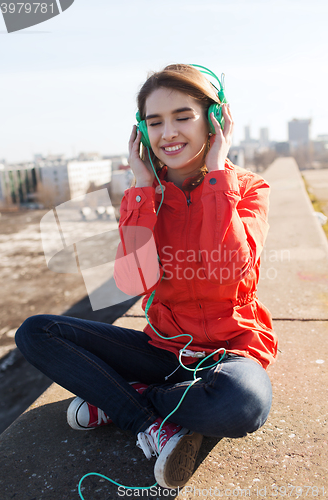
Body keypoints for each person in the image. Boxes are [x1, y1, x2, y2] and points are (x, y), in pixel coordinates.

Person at [15, 63, 278, 490]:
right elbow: (134, 280)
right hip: (162, 349)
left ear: (215, 120)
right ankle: (148, 423)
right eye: (154, 122)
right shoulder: (143, 196)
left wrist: (216, 174)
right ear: (142, 130)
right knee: (36, 332)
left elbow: (230, 269)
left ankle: (125, 400)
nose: (168, 133)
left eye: (182, 116)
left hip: (228, 354)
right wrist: (142, 187)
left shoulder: (247, 189)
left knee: (244, 405)